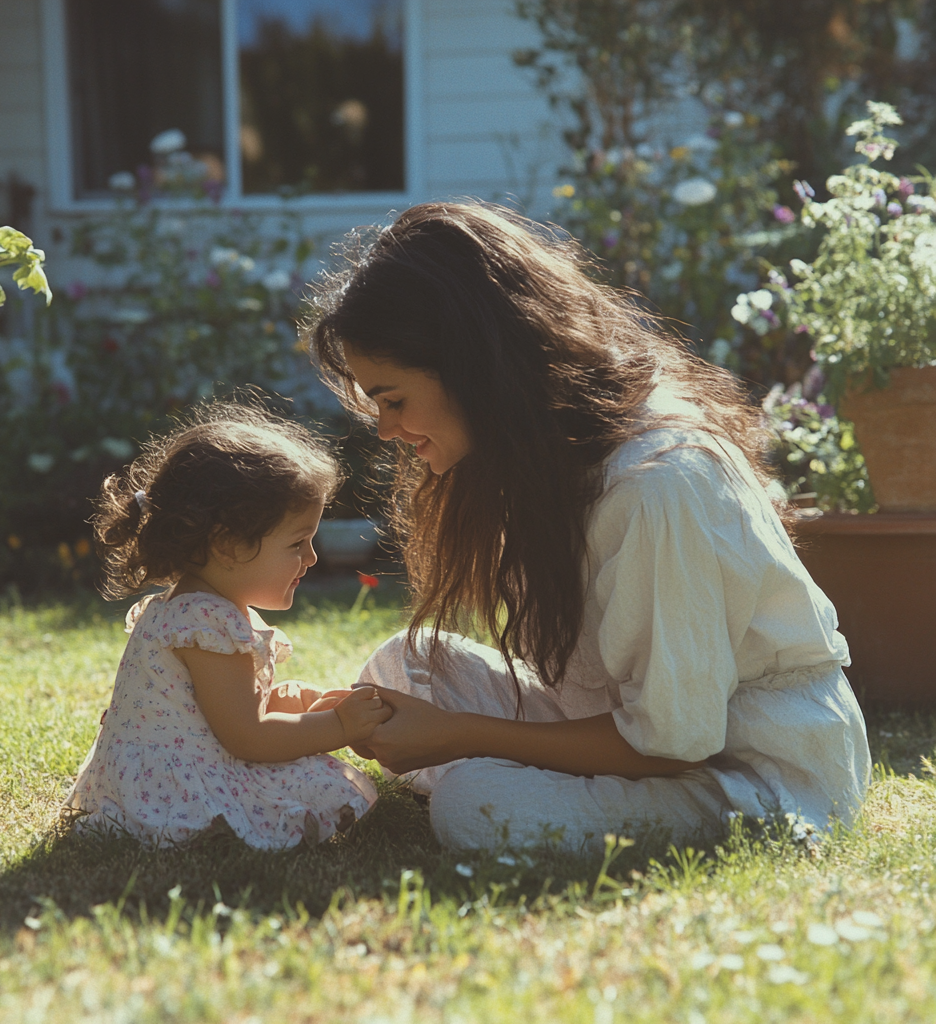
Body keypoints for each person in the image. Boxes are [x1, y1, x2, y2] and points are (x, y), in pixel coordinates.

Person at [305, 201, 871, 852]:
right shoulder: (534, 455)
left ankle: (498, 778)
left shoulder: (657, 483)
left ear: (473, 365)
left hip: (751, 776)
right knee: (403, 669)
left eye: (394, 400)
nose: (384, 430)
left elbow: (674, 742)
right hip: (630, 732)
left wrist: (457, 733)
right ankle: (513, 774)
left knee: (474, 804)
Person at [63, 402, 388, 848]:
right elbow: (247, 738)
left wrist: (284, 701)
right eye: (297, 542)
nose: (311, 558)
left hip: (154, 773)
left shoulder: (184, 608)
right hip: (178, 788)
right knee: (319, 780)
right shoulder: (208, 622)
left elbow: (208, 712)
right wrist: (340, 727)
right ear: (228, 545)